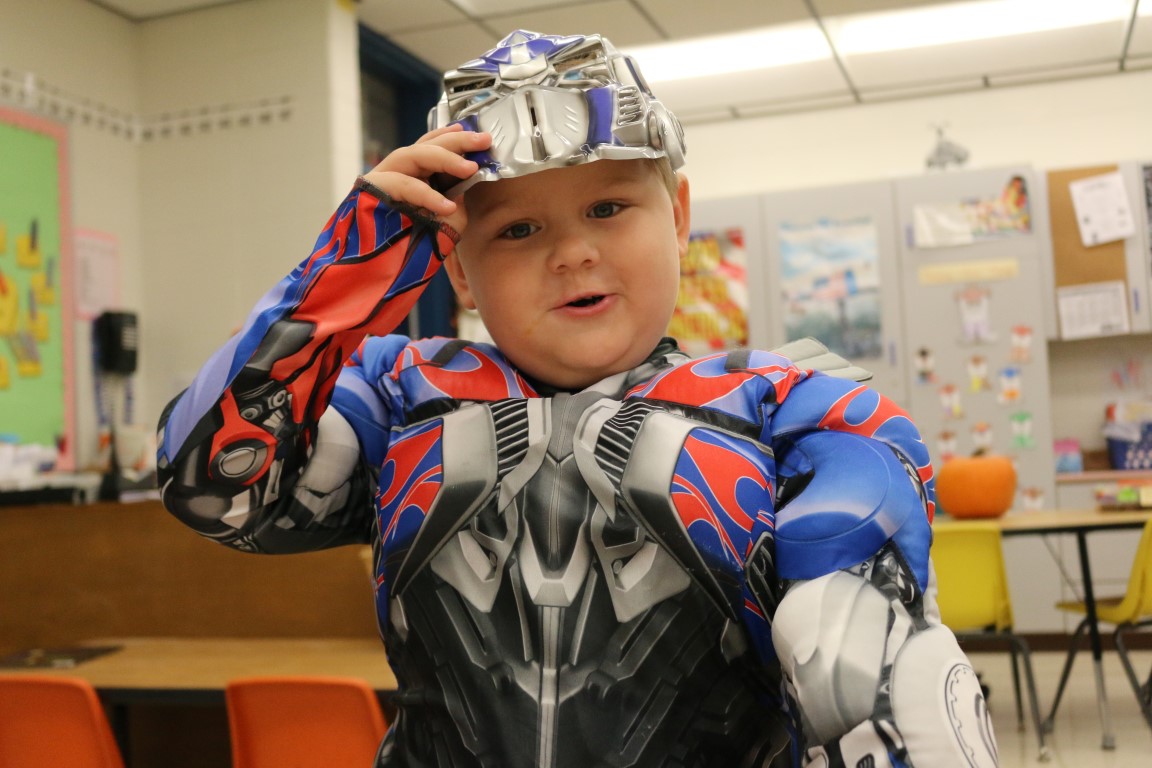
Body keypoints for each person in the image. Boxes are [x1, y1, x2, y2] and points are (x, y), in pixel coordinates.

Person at [157, 30, 997, 768]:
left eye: (607, 207)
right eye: (517, 230)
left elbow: (881, 692)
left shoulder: (796, 411)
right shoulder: (393, 396)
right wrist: (340, 276)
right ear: (456, 268)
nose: (572, 253)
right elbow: (210, 489)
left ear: (678, 217)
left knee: (851, 646)